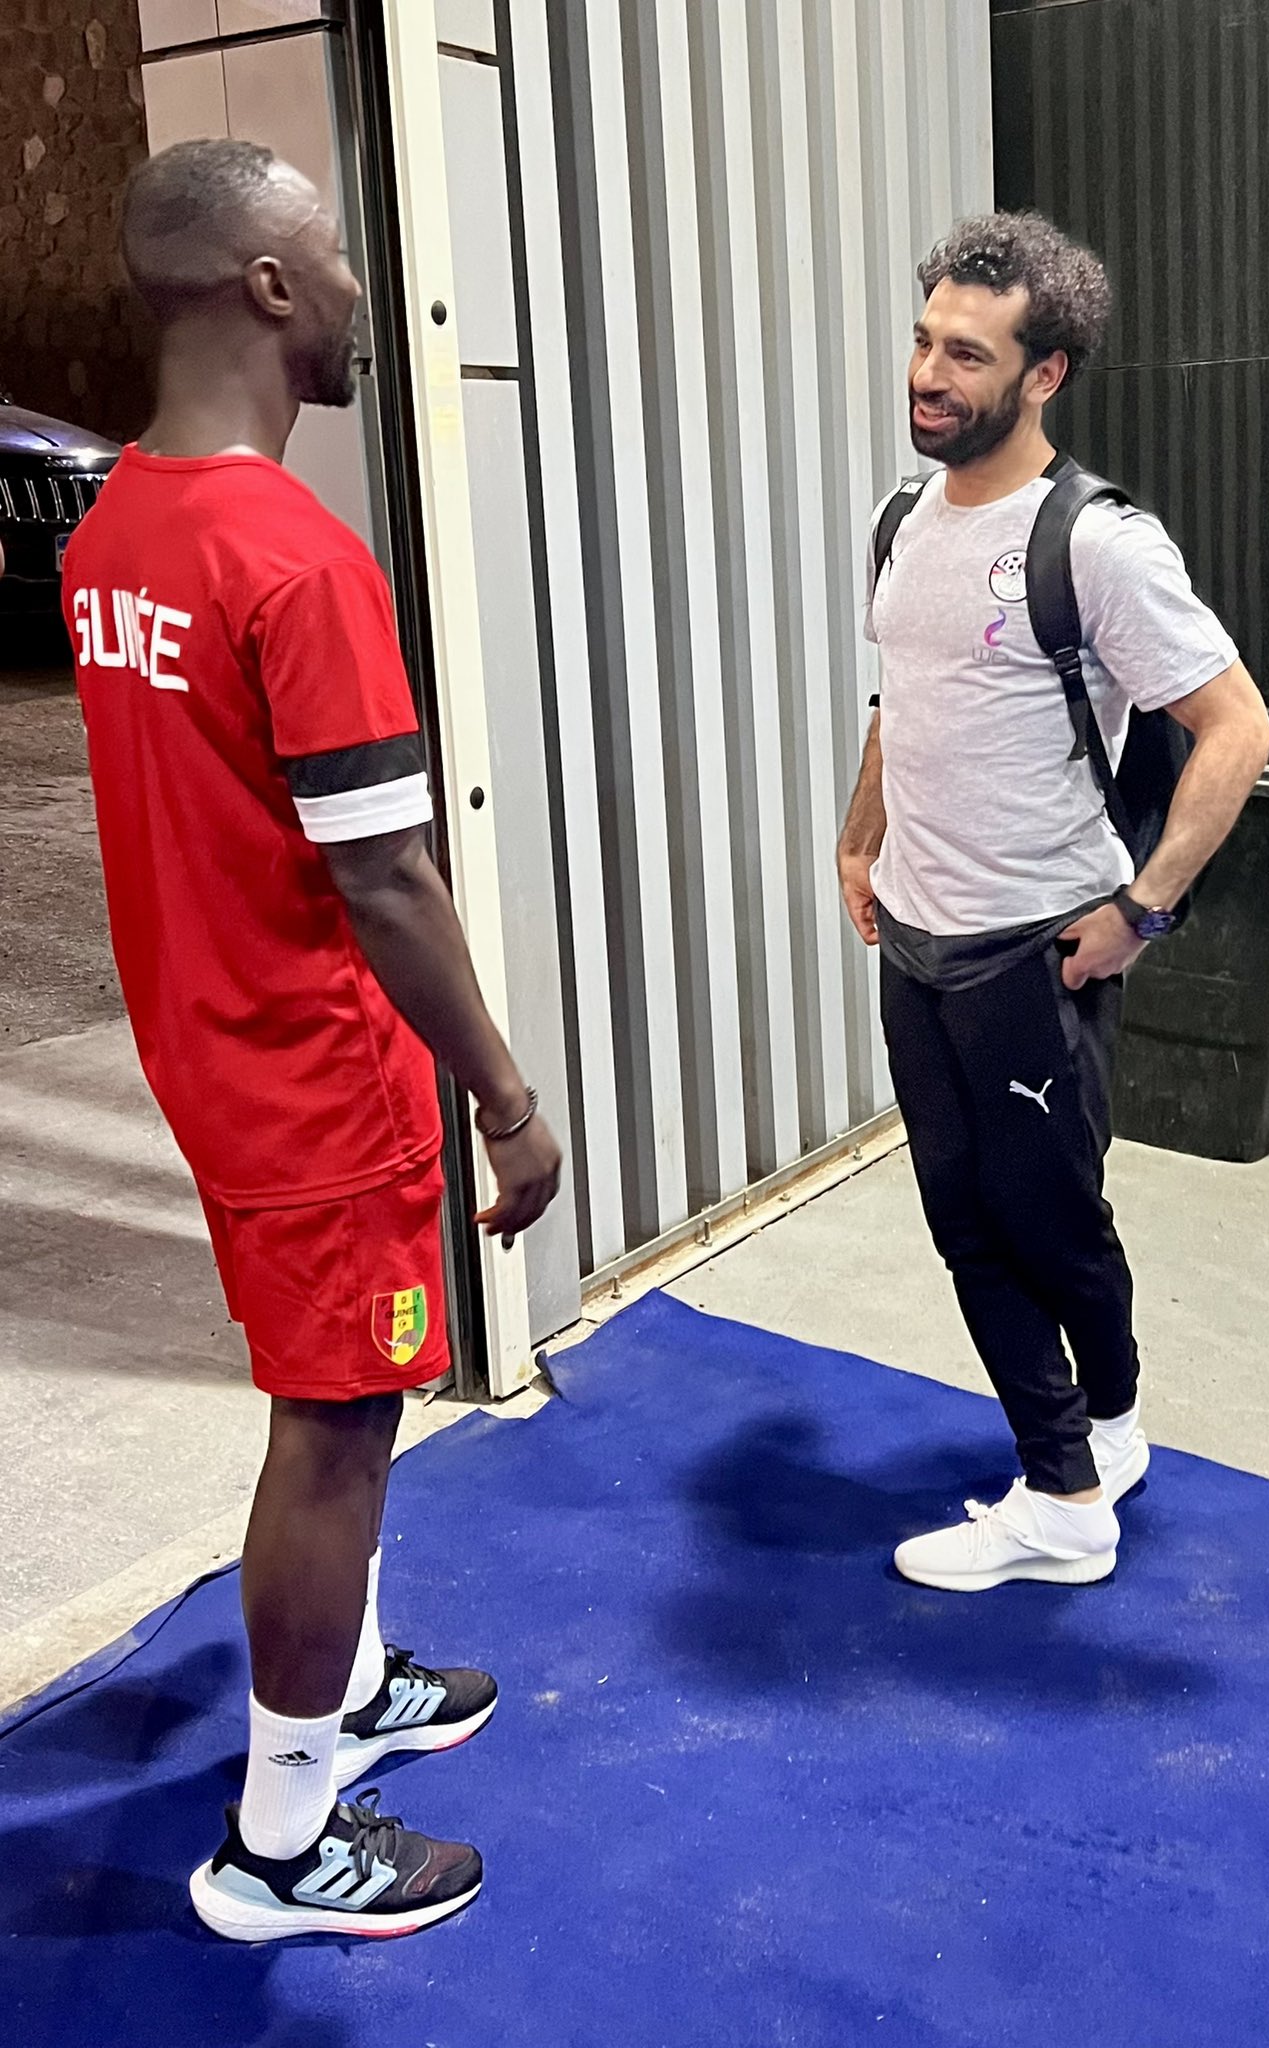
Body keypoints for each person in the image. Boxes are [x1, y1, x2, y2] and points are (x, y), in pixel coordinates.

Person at [63, 140, 562, 1940]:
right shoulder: (295, 559)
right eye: (334, 253)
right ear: (270, 288)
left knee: (327, 1404)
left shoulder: (118, 529)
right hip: (315, 1080)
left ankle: (345, 1686)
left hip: (212, 1052)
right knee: (337, 1424)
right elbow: (390, 881)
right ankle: (282, 1839)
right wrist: (505, 1097)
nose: (358, 283)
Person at [837, 211, 1269, 1595]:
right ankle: (1108, 1433)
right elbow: (903, 699)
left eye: (966, 355)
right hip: (917, 940)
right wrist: (859, 839)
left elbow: (1237, 727)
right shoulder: (902, 521)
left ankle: (1066, 1501)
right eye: (925, 340)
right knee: (983, 1217)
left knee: (1037, 1224)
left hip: (1036, 952)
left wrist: (1143, 910)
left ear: (1045, 375)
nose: (928, 373)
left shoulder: (1095, 543)